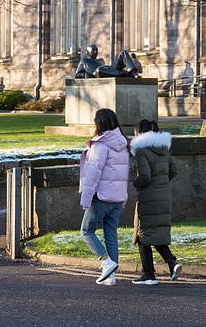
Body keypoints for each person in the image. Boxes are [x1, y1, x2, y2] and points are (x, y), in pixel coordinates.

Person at [78, 108, 130, 286]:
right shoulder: (123, 143)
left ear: (98, 123)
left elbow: (93, 174)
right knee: (111, 235)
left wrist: (86, 199)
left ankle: (106, 261)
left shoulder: (100, 145)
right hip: (117, 197)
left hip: (101, 197)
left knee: (86, 230)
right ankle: (111, 276)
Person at [130, 118, 181, 285]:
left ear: (139, 132)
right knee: (154, 233)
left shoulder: (141, 150)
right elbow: (173, 171)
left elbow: (145, 176)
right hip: (164, 196)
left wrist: (135, 184)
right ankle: (172, 263)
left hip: (149, 197)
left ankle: (149, 274)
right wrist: (162, 184)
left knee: (142, 234)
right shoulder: (163, 148)